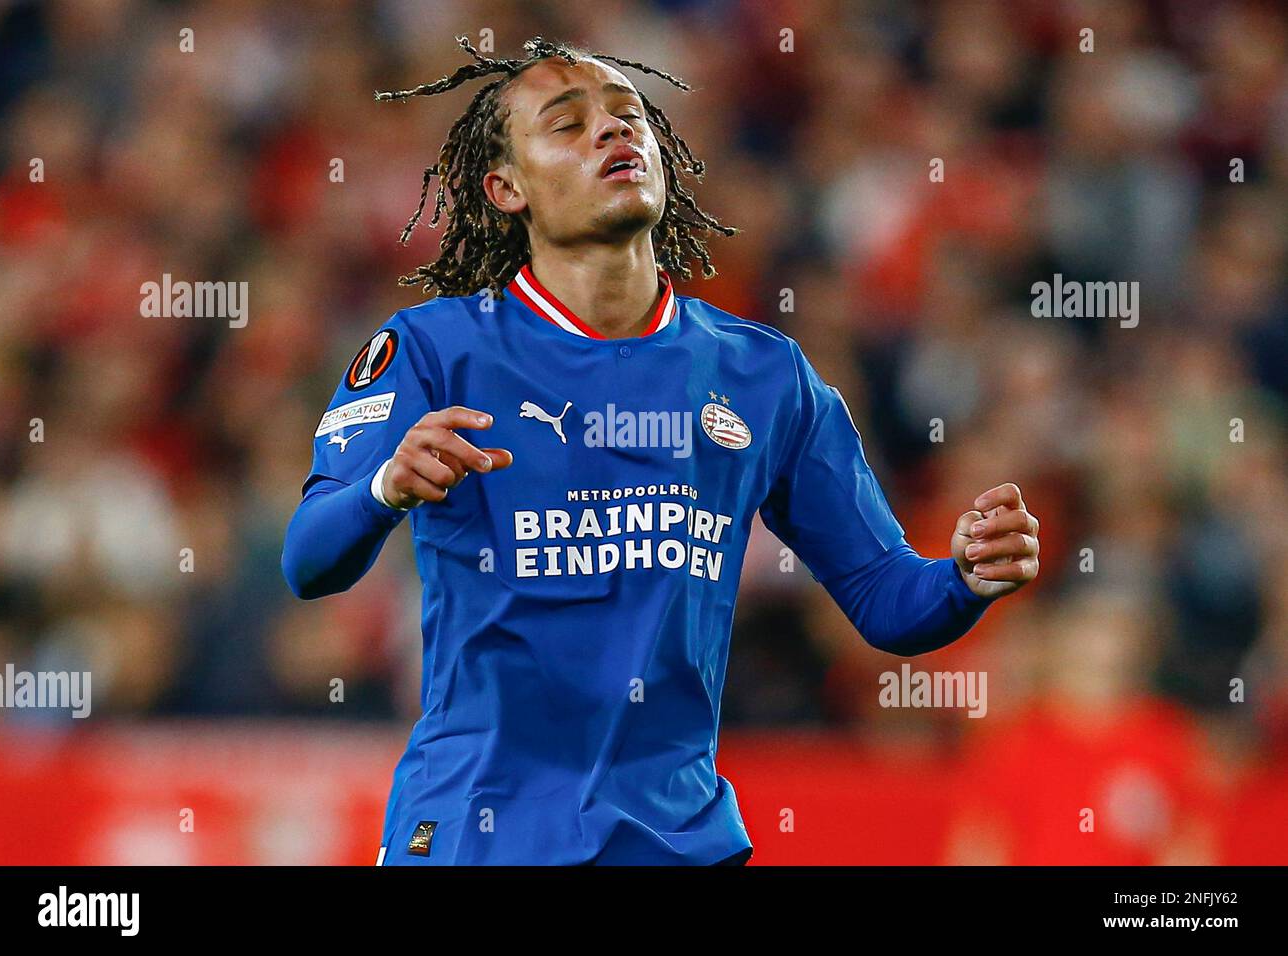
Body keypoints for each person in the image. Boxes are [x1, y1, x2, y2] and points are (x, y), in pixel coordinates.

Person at [281, 36, 1040, 865]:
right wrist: (385, 487)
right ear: (506, 188)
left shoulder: (762, 377)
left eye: (627, 118)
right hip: (479, 830)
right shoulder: (434, 351)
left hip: (674, 841)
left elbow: (886, 598)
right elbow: (309, 558)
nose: (613, 135)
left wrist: (965, 579)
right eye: (567, 126)